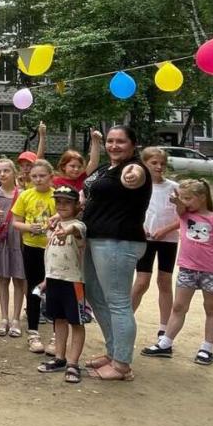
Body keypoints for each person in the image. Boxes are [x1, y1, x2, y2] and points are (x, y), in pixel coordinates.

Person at [81, 125, 151, 382]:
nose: (113, 145)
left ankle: (122, 365)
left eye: (120, 141)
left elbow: (136, 176)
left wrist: (133, 175)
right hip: (95, 239)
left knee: (118, 302)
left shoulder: (134, 168)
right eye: (110, 141)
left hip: (118, 242)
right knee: (95, 295)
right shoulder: (105, 169)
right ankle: (113, 352)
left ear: (133, 145)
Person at [141, 179, 213, 365]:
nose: (184, 201)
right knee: (179, 307)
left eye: (188, 198)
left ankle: (207, 348)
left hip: (210, 271)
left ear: (202, 198)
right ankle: (165, 343)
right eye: (182, 198)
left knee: (211, 308)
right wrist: (179, 201)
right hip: (187, 269)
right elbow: (180, 208)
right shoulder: (184, 215)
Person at [36, 186, 88, 384]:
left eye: (67, 202)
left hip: (73, 281)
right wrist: (46, 279)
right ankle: (60, 357)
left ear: (77, 206)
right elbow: (50, 255)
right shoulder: (53, 225)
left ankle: (73, 363)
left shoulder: (79, 225)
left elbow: (75, 230)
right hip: (55, 279)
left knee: (77, 321)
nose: (62, 205)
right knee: (58, 319)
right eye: (59, 202)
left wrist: (66, 229)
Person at [132, 147, 179, 342]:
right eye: (154, 163)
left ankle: (164, 328)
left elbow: (183, 216)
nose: (159, 167)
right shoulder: (138, 187)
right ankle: (124, 319)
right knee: (142, 281)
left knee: (164, 281)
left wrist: (166, 229)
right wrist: (139, 228)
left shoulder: (174, 187)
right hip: (145, 239)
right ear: (144, 164)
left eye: (162, 163)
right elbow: (129, 212)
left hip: (168, 240)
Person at [13, 160, 57, 354]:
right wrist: (29, 227)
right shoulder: (25, 195)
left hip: (54, 250)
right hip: (31, 247)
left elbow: (66, 218)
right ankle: (33, 332)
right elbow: (16, 222)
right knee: (33, 288)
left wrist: (53, 226)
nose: (38, 179)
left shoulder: (58, 195)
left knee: (55, 289)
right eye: (34, 176)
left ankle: (57, 335)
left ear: (51, 177)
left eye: (42, 176)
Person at [0, 158, 26, 338]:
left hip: (18, 241)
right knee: (3, 279)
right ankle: (4, 318)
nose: (2, 174)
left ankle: (16, 318)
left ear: (14, 172)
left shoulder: (24, 193)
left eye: (6, 171)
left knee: (19, 279)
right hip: (1, 241)